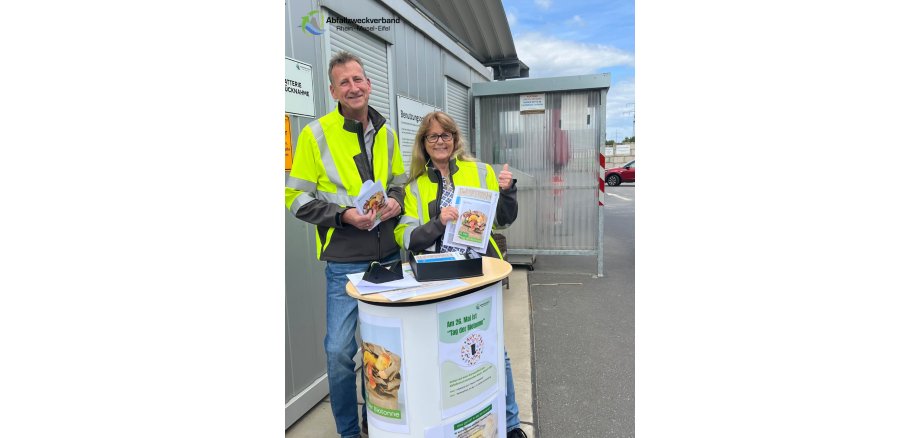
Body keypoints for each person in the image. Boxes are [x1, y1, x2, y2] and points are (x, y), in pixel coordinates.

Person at [285, 51, 406, 438]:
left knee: (387, 349)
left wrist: (395, 202)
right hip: (343, 263)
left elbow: (400, 183)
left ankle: (383, 423)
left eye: (358, 79)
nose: (353, 87)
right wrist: (343, 216)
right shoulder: (314, 134)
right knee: (339, 352)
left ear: (369, 84)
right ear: (334, 91)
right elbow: (296, 199)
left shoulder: (387, 133)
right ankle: (350, 433)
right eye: (344, 82)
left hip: (387, 257)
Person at [394, 111, 528, 438]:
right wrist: (438, 222)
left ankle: (510, 424)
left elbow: (501, 220)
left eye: (446, 135)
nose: (440, 142)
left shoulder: (478, 172)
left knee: (494, 347)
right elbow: (406, 237)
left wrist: (507, 192)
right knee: (445, 349)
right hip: (436, 278)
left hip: (476, 273)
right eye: (433, 137)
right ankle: (455, 420)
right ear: (423, 143)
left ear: (455, 139)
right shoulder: (412, 186)